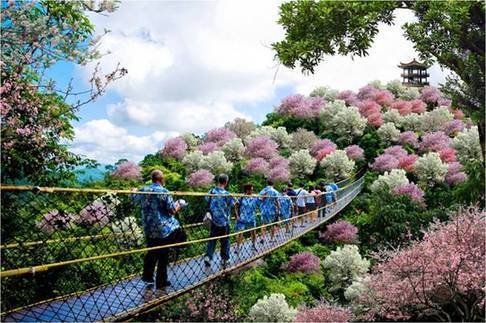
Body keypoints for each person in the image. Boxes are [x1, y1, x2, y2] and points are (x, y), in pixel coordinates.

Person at [132, 169, 185, 289]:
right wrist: (179, 205)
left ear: (152, 179)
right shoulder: (164, 191)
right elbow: (171, 211)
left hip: (148, 228)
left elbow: (134, 198)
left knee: (151, 252)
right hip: (163, 230)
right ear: (162, 179)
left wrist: (133, 190)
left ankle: (148, 277)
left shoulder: (143, 190)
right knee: (163, 255)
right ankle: (161, 282)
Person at [204, 174, 235, 268]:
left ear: (218, 181)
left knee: (212, 239)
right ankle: (224, 259)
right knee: (225, 240)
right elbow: (232, 205)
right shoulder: (227, 194)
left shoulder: (212, 191)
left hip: (213, 220)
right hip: (224, 221)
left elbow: (206, 199)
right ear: (226, 182)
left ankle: (208, 257)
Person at [235, 183, 259, 252]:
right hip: (242, 217)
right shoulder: (241, 197)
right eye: (251, 190)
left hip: (252, 217)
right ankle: (238, 247)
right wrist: (237, 216)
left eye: (252, 190)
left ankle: (253, 245)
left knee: (253, 232)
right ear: (247, 190)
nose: (252, 191)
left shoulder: (254, 197)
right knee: (240, 233)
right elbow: (236, 207)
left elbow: (261, 201)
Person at [259, 179, 280, 243]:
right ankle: (271, 239)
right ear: (273, 184)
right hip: (272, 210)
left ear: (267, 183)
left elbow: (260, 199)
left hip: (264, 210)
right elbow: (277, 202)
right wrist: (279, 210)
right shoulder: (275, 192)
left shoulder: (263, 190)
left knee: (263, 224)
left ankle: (263, 238)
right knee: (272, 224)